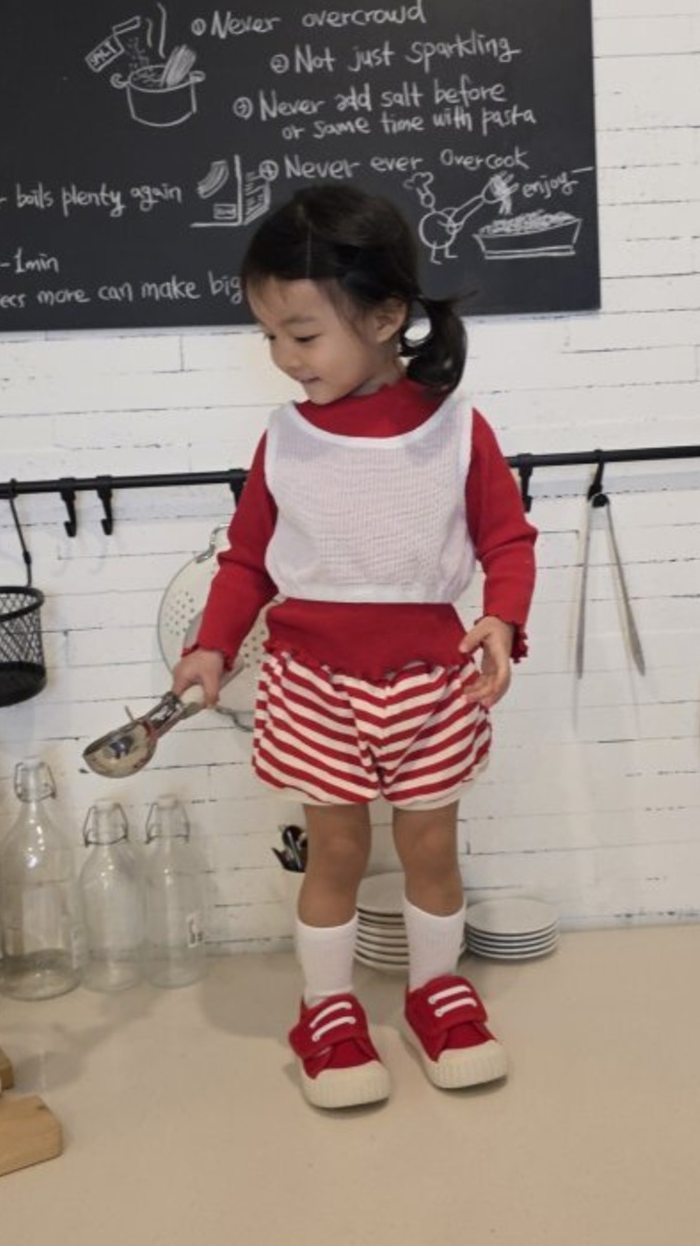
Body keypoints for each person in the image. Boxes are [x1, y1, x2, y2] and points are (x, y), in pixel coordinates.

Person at [172, 183, 536, 1109]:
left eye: (302, 334)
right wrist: (212, 645)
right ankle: (325, 1009)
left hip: (432, 682)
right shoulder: (285, 440)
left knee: (431, 847)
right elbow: (246, 560)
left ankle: (434, 991)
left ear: (383, 317)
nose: (285, 359)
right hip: (312, 682)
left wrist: (502, 619)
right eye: (270, 337)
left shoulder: (456, 430)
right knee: (335, 850)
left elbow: (508, 541)